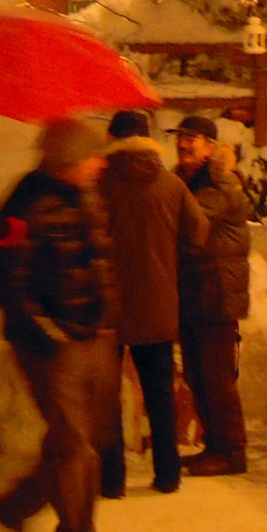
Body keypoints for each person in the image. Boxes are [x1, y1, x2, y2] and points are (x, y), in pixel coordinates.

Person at [0, 118, 120, 532]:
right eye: (92, 156)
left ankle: (9, 510)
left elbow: (102, 262)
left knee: (78, 446)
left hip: (95, 335)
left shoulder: (88, 196)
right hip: (53, 344)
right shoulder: (28, 202)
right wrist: (44, 333)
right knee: (76, 449)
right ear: (68, 161)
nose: (101, 163)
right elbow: (10, 281)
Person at [96, 109, 206, 497]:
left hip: (107, 305)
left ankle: (112, 479)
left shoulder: (99, 184)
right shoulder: (171, 185)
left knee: (106, 395)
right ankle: (166, 473)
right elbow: (198, 234)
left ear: (114, 138)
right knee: (159, 392)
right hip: (157, 302)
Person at [172, 116, 252, 477]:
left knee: (217, 378)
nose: (185, 144)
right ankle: (214, 446)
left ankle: (232, 451)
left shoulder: (218, 185)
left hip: (217, 293)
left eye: (194, 138)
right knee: (196, 374)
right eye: (181, 137)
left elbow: (192, 226)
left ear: (210, 147)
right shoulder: (183, 180)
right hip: (193, 292)